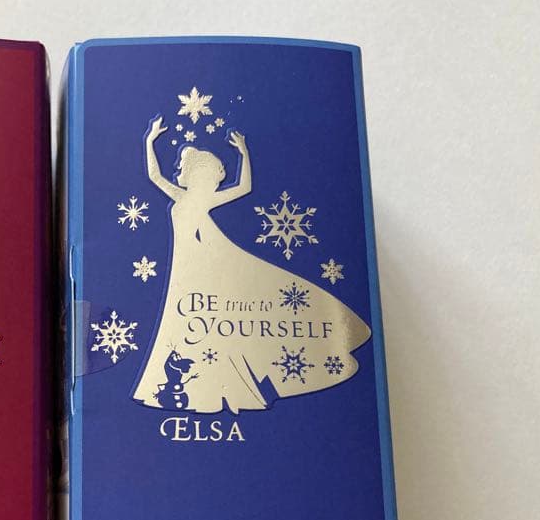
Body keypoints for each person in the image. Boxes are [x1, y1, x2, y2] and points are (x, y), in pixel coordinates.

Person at [132, 117, 371, 414]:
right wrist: (149, 141)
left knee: (204, 318)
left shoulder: (204, 200)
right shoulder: (182, 197)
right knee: (189, 320)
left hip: (202, 263)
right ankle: (198, 388)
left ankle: (212, 387)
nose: (180, 172)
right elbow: (154, 176)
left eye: (190, 171)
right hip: (188, 265)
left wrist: (244, 153)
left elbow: (244, 188)